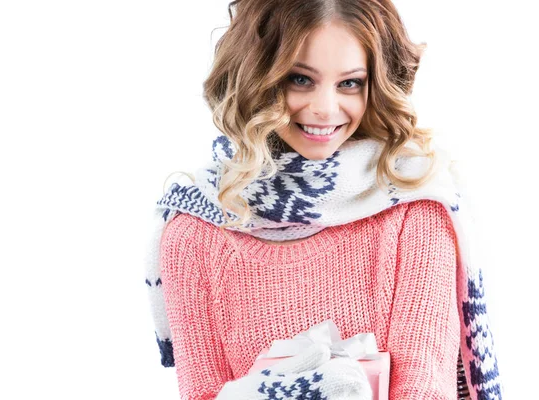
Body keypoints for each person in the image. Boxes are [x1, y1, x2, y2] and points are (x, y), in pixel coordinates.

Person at [144, 0, 503, 399]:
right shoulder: (193, 232)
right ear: (256, 75)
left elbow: (425, 388)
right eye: (300, 79)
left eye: (349, 82)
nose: (325, 108)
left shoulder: (413, 211)